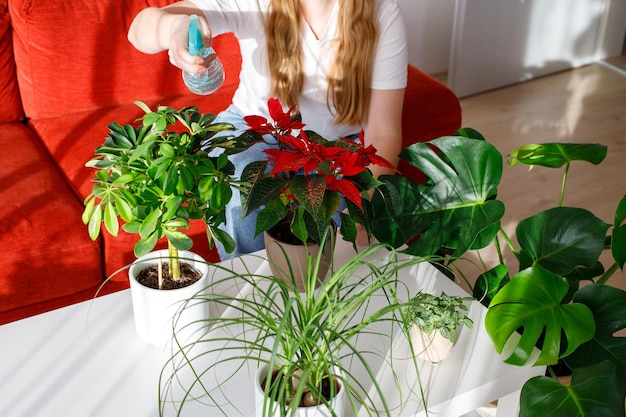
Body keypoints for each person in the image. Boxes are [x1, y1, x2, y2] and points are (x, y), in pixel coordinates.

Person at [128, 0, 408, 259]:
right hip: (255, 128)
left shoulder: (381, 10)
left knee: (330, 242)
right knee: (240, 192)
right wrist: (175, 28)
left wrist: (367, 204)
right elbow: (140, 30)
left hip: (334, 146)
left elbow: (384, 132)